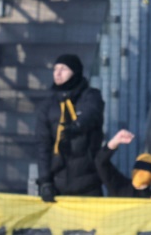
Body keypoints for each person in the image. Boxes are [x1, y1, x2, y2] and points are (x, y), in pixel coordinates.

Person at [34, 53, 104, 201]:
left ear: (75, 72)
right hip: (59, 186)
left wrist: (76, 126)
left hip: (89, 183)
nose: (58, 73)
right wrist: (45, 181)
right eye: (55, 69)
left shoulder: (90, 96)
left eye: (63, 69)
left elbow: (92, 114)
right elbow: (43, 146)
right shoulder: (47, 106)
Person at [94, 130, 151, 204]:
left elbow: (100, 162)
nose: (142, 173)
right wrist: (115, 140)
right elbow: (100, 162)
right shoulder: (120, 187)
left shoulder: (120, 187)